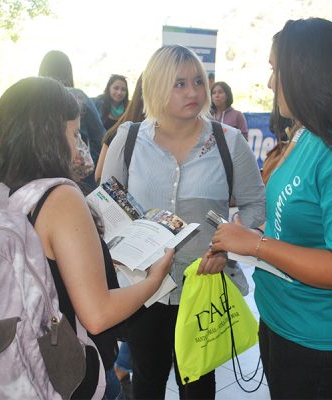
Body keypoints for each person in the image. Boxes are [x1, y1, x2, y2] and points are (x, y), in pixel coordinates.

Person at [209, 18, 332, 399]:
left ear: (306, 72)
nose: (270, 84)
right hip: (283, 321)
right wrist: (253, 235)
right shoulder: (307, 134)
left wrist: (255, 246)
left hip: (323, 343)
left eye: (274, 70)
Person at [0, 76, 174, 399]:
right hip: (67, 375)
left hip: (5, 369)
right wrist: (155, 278)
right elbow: (97, 315)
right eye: (73, 133)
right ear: (49, 137)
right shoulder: (59, 197)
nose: (76, 144)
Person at [101, 44, 265, 400]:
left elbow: (254, 204)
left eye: (198, 82)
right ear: (157, 87)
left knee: (199, 385)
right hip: (144, 291)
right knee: (146, 379)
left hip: (204, 287)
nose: (194, 92)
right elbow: (107, 209)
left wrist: (228, 250)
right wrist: (119, 251)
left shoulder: (228, 141)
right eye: (179, 84)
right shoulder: (128, 140)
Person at [38, 50, 105, 191]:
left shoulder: (33, 99)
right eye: (75, 134)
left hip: (40, 176)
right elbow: (100, 136)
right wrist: (85, 160)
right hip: (79, 178)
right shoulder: (78, 96)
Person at [95, 74, 145, 182]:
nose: (119, 92)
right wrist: (129, 198)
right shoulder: (121, 132)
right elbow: (100, 177)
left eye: (123, 89)